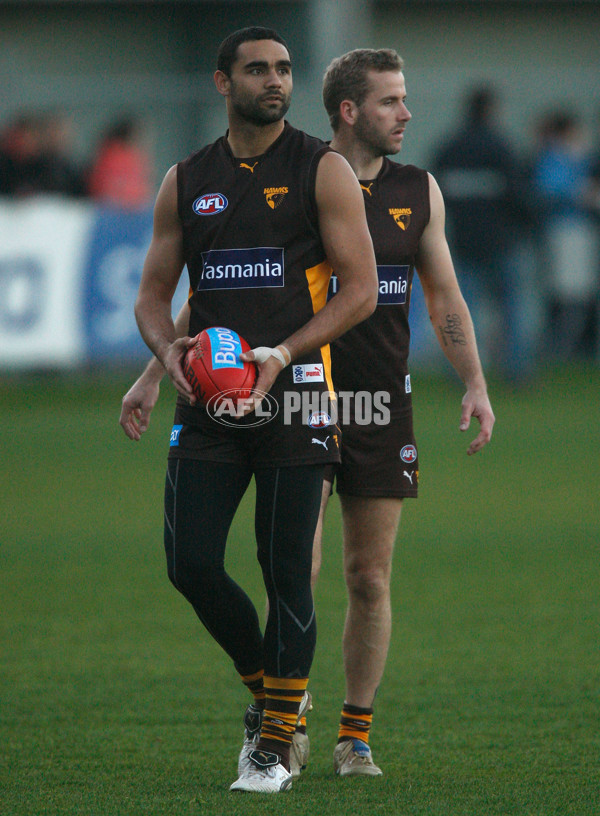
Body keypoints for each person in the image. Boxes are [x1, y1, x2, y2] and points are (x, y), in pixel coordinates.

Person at [121, 46, 494, 779]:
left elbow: (444, 297)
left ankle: (348, 734)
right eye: (391, 101)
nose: (406, 114)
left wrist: (475, 381)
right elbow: (221, 295)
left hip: (371, 395)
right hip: (295, 390)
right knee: (291, 563)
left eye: (405, 100)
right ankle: (286, 714)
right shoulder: (288, 175)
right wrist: (154, 369)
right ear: (351, 109)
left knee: (366, 575)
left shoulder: (415, 191)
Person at [130, 26, 378, 795]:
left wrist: (283, 354)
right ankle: (281, 696)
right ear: (221, 81)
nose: (275, 80)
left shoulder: (323, 167)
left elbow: (360, 290)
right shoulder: (186, 177)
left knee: (285, 574)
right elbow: (152, 296)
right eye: (257, 69)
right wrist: (165, 352)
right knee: (192, 563)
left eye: (284, 69)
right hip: (208, 400)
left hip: (296, 395)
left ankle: (272, 746)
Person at [432, 85, 535, 383]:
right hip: (502, 242)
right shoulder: (500, 147)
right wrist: (528, 223)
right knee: (512, 310)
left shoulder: (450, 148)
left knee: (462, 312)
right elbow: (517, 194)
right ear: (491, 110)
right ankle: (516, 373)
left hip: (463, 242)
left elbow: (434, 193)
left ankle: (460, 373)